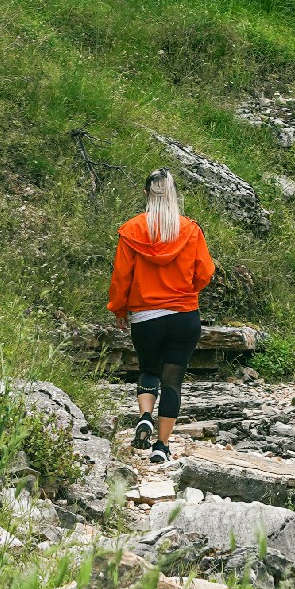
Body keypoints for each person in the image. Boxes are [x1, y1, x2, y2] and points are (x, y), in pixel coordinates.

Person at [106, 168, 216, 463]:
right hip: (184, 315)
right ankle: (161, 447)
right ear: (174, 196)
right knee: (172, 380)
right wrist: (187, 289)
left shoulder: (132, 230)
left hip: (146, 317)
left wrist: (119, 307)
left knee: (148, 370)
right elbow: (205, 272)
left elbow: (121, 276)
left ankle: (144, 415)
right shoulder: (190, 229)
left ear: (146, 195)